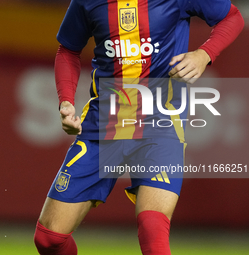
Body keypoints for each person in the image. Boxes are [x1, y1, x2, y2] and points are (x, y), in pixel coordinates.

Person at [34, 0, 244, 254]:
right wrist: (66, 100)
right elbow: (68, 49)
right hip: (103, 125)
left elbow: (232, 16)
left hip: (160, 124)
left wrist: (204, 54)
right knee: (49, 239)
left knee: (153, 231)